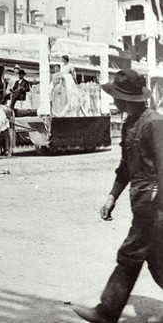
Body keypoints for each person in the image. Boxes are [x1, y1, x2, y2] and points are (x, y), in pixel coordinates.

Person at [73, 69, 163, 323]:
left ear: (128, 99)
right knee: (157, 262)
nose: (113, 101)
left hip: (155, 206)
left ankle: (107, 311)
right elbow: (126, 167)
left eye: (117, 96)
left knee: (129, 255)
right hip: (142, 203)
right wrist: (112, 196)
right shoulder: (129, 125)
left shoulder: (153, 123)